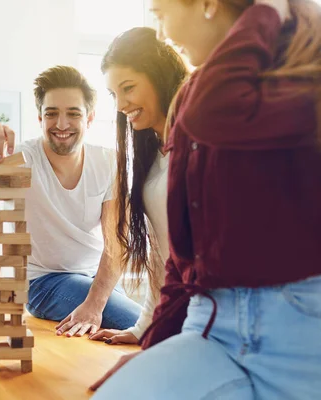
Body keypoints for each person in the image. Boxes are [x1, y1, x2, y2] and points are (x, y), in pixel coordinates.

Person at [91, 0, 321, 399]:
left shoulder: (300, 77)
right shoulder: (198, 98)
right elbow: (182, 260)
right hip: (211, 322)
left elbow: (216, 112)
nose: (161, 33)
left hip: (297, 323)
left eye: (161, 13)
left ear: (208, 4)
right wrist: (153, 348)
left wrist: (266, 10)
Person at [0, 65, 142, 337]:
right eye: (51, 114)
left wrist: (95, 303)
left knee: (131, 332)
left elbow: (117, 242)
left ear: (89, 118)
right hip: (45, 283)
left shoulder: (107, 162)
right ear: (39, 118)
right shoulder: (25, 160)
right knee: (146, 324)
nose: (61, 124)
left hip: (99, 280)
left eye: (73, 114)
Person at [86, 27, 188, 345]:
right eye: (114, 94)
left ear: (159, 77)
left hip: (211, 315)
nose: (120, 105)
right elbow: (160, 256)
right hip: (180, 309)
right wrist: (143, 326)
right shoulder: (150, 154)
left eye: (128, 88)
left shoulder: (199, 144)